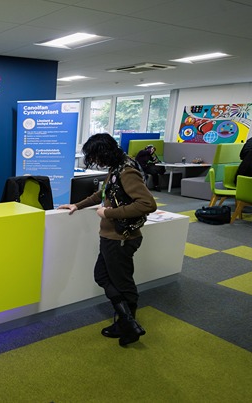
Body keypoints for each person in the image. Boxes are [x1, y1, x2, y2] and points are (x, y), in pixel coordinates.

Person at [58, 133, 156, 347]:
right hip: (113, 237)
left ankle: (128, 325)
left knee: (123, 283)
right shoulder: (119, 165)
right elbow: (104, 194)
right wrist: (78, 205)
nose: (96, 163)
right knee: (103, 276)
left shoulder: (127, 170)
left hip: (120, 238)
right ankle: (128, 322)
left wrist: (108, 213)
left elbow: (148, 204)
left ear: (104, 154)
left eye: (96, 158)